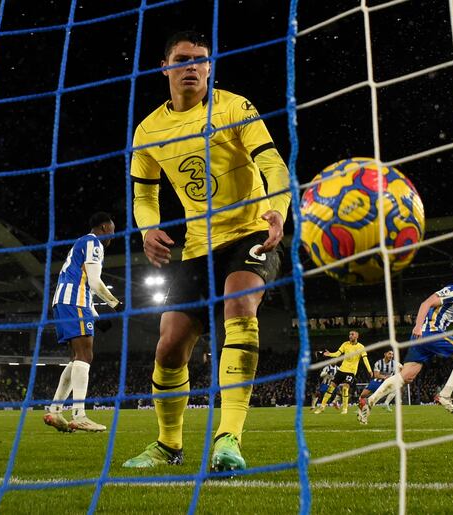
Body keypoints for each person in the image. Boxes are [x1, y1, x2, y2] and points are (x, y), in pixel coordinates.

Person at [122, 31, 291, 471]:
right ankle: (168, 446)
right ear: (166, 67)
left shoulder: (235, 107)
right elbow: (144, 194)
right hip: (198, 245)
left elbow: (273, 164)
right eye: (183, 59)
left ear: (210, 67)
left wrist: (277, 210)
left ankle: (227, 439)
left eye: (200, 60)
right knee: (169, 347)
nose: (192, 66)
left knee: (239, 304)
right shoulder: (148, 130)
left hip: (252, 230)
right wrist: (148, 228)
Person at [359, 266, 453, 424]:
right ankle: (445, 395)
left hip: (421, 337)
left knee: (407, 376)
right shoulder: (452, 290)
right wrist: (418, 326)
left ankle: (371, 401)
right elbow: (426, 303)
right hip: (431, 333)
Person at [44, 212, 121, 433]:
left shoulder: (80, 243)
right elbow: (95, 283)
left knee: (76, 358)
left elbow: (84, 283)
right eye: (113, 231)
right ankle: (79, 415)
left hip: (63, 301)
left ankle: (55, 410)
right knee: (85, 356)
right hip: (74, 301)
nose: (113, 236)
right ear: (105, 227)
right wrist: (116, 304)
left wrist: (95, 317)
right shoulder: (94, 243)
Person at [313, 331, 371, 415]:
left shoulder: (361, 347)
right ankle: (322, 407)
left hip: (351, 371)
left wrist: (369, 370)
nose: (350, 336)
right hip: (342, 369)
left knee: (345, 389)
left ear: (357, 336)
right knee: (330, 388)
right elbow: (337, 354)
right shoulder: (345, 344)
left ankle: (345, 409)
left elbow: (365, 359)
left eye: (352, 334)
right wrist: (329, 354)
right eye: (349, 334)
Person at [358, 350, 399, 415]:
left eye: (392, 354)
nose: (391, 356)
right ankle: (361, 408)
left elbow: (402, 368)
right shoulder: (378, 363)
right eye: (389, 354)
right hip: (376, 382)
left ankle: (386, 403)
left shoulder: (395, 363)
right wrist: (385, 377)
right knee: (362, 395)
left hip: (387, 383)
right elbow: (376, 375)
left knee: (396, 388)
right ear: (385, 354)